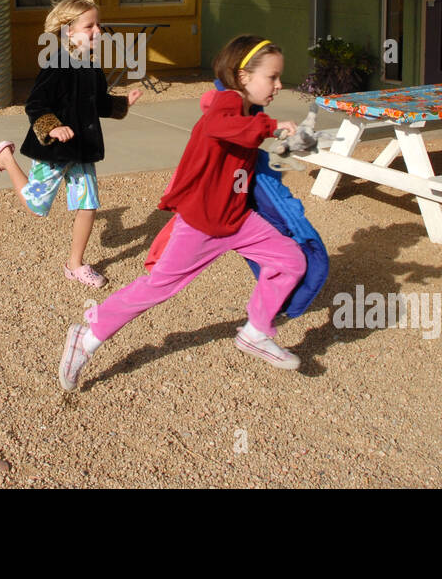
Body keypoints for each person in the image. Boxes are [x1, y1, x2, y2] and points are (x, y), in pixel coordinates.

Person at [58, 35, 306, 391]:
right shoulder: (225, 104)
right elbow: (221, 127)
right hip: (202, 223)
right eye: (273, 77)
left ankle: (256, 331)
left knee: (291, 260)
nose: (279, 85)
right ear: (243, 76)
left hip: (238, 220)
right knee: (157, 287)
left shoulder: (249, 112)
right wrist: (271, 127)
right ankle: (87, 337)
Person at [0, 0, 141, 287]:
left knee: (88, 205)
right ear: (68, 32)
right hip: (54, 150)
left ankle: (74, 264)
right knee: (37, 207)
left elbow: (99, 104)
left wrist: (122, 103)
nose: (97, 31)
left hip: (82, 150)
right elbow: (35, 104)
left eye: (98, 25)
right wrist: (51, 127)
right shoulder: (56, 65)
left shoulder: (92, 67)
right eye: (89, 26)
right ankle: (4, 157)